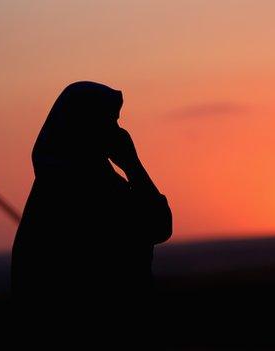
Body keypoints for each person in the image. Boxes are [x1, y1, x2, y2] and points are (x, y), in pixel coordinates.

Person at [11, 81, 172, 301]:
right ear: (84, 125)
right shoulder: (74, 187)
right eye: (110, 121)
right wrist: (132, 164)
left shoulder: (92, 179)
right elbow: (157, 225)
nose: (117, 131)